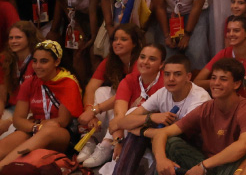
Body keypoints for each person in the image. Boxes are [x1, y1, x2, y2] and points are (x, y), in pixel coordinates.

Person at [152, 58, 246, 175]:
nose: (216, 83)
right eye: (213, 78)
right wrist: (161, 160)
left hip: (232, 165)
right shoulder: (206, 107)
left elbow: (243, 146)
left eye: (223, 79)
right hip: (206, 164)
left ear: (237, 84)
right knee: (171, 143)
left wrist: (203, 166)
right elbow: (162, 133)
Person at [107, 54, 211, 174]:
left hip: (198, 155)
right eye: (167, 74)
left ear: (188, 77)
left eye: (177, 74)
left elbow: (171, 134)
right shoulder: (162, 93)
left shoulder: (199, 98)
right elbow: (127, 119)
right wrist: (151, 117)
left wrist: (141, 130)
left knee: (166, 141)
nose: (171, 79)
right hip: (168, 142)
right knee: (140, 130)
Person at [0, 41, 84, 168]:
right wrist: (36, 127)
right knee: (13, 140)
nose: (37, 66)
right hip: (35, 128)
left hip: (64, 135)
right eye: (35, 61)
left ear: (56, 62)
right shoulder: (29, 83)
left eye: (44, 61)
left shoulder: (68, 83)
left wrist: (35, 124)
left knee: (48, 131)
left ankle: (2, 167)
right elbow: (18, 120)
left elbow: (62, 121)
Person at [79, 23, 144, 164]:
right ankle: (92, 139)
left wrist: (95, 110)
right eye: (115, 39)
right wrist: (90, 111)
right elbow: (90, 88)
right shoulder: (110, 61)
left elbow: (127, 95)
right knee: (102, 91)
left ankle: (107, 144)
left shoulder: (140, 61)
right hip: (120, 104)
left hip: (138, 103)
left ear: (134, 44)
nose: (117, 43)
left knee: (122, 103)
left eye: (123, 39)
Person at [50, 0, 99, 82]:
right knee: (77, 53)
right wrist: (79, 32)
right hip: (75, 20)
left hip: (96, 20)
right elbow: (66, 10)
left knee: (93, 52)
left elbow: (94, 12)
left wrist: (92, 38)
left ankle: (95, 89)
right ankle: (79, 88)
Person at [197, 15, 246, 102]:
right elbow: (197, 82)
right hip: (226, 103)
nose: (231, 34)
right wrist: (223, 82)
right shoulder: (224, 53)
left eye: (236, 30)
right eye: (229, 31)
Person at [0, 22, 40, 136]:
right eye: (11, 38)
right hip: (11, 108)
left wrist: (9, 121)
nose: (13, 41)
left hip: (31, 112)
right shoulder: (5, 60)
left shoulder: (38, 61)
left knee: (7, 134)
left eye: (18, 37)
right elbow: (1, 94)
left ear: (29, 38)